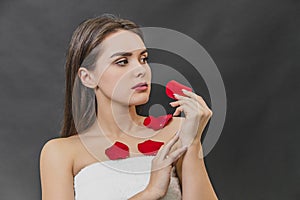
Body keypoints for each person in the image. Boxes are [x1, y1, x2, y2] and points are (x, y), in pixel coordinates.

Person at [39, 14, 218, 200]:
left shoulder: (177, 131)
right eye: (122, 62)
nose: (141, 70)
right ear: (88, 77)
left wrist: (193, 142)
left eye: (143, 59)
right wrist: (150, 192)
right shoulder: (61, 153)